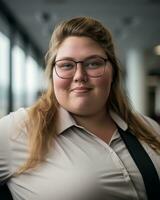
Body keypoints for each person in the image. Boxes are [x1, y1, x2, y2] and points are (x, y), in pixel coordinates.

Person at [0, 16, 160, 200]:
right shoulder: (20, 129)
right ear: (52, 74)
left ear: (113, 71)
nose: (79, 76)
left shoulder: (148, 128)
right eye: (66, 65)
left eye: (93, 63)